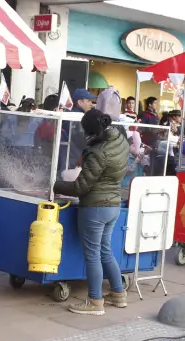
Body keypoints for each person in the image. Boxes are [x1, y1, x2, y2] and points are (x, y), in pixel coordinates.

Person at [52, 110, 130, 315]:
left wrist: (56, 185)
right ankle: (118, 294)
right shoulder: (120, 139)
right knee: (105, 251)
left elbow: (80, 187)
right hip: (113, 204)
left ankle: (95, 301)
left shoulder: (98, 152)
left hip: (95, 207)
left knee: (93, 255)